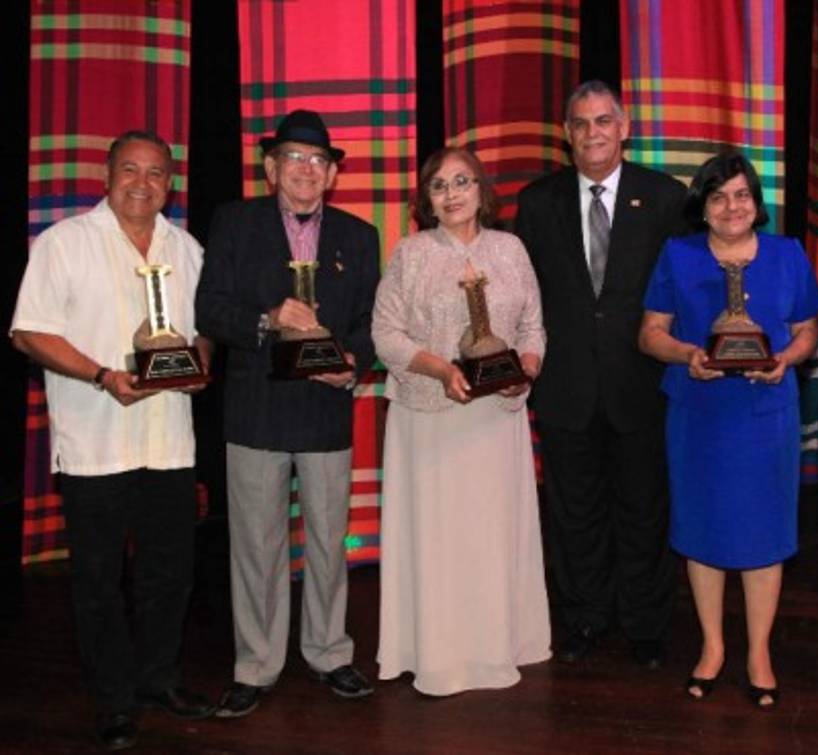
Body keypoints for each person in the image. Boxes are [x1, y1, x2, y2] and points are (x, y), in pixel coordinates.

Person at [11, 130, 215, 749]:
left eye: (155, 173)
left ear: (170, 184)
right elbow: (29, 332)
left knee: (168, 576)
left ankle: (158, 678)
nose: (141, 183)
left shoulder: (188, 248)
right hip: (95, 444)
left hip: (168, 443)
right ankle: (113, 700)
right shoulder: (64, 243)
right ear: (107, 176)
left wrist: (199, 366)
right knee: (98, 582)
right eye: (130, 169)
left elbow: (203, 333)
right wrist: (103, 375)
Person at [195, 109, 381, 717]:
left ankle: (329, 652)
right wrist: (267, 320)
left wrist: (351, 362)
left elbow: (372, 323)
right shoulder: (234, 222)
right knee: (256, 546)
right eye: (294, 158)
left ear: (332, 174)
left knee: (330, 541)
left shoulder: (359, 236)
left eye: (318, 160)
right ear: (271, 168)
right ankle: (256, 664)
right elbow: (209, 309)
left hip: (326, 409)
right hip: (256, 411)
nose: (306, 168)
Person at [638, 152, 818, 708]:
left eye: (741, 195)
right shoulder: (678, 254)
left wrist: (786, 359)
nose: (731, 207)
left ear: (756, 202)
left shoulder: (788, 254)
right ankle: (713, 646)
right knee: (703, 529)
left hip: (766, 414)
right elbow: (650, 333)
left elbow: (809, 329)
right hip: (699, 414)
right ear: (703, 206)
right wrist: (687, 354)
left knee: (764, 532)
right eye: (718, 197)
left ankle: (759, 651)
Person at [514, 80, 687, 669]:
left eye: (604, 120)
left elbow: (682, 290)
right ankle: (585, 618)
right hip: (565, 387)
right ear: (566, 134)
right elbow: (522, 296)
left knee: (644, 510)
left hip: (643, 384)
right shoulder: (537, 203)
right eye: (582, 123)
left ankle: (645, 625)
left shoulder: (665, 198)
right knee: (575, 514)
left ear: (625, 127)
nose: (593, 133)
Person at [372, 147, 550, 695]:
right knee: (441, 543)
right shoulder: (411, 253)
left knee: (489, 538)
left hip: (495, 421)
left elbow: (533, 327)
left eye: (462, 182)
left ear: (481, 190)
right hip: (431, 418)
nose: (451, 194)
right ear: (426, 199)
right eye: (439, 185)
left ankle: (498, 646)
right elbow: (385, 334)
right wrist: (441, 369)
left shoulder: (510, 249)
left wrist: (526, 369)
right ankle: (438, 654)